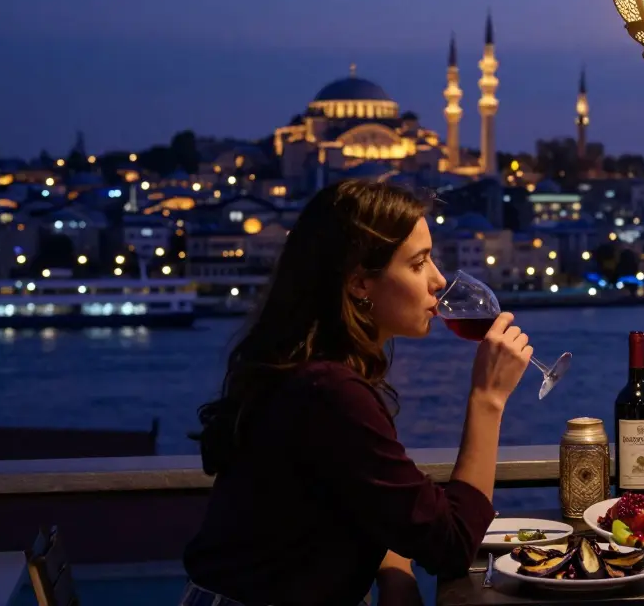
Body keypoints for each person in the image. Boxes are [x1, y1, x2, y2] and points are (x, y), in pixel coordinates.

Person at [181, 179, 532, 606]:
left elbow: (352, 501)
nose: (439, 280)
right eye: (419, 263)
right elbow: (453, 544)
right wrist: (488, 399)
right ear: (359, 283)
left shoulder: (306, 375)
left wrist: (392, 571)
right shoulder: (328, 392)